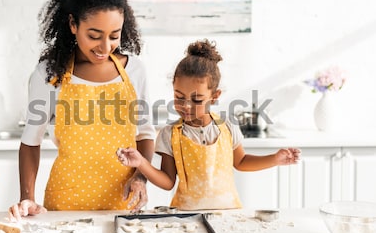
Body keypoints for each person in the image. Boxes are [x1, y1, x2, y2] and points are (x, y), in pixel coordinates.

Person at [9, 0, 155, 221]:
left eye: (114, 36)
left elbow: (145, 135)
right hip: (65, 205)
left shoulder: (135, 71)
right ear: (73, 24)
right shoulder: (49, 73)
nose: (105, 47)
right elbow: (31, 142)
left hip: (121, 204)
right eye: (94, 36)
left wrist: (140, 178)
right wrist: (27, 198)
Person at [117, 39, 301, 211]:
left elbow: (242, 162)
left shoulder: (227, 126)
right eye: (179, 97)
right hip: (187, 216)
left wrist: (274, 159)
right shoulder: (169, 134)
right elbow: (167, 182)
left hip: (229, 214)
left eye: (197, 99)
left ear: (215, 96)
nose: (186, 105)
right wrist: (141, 162)